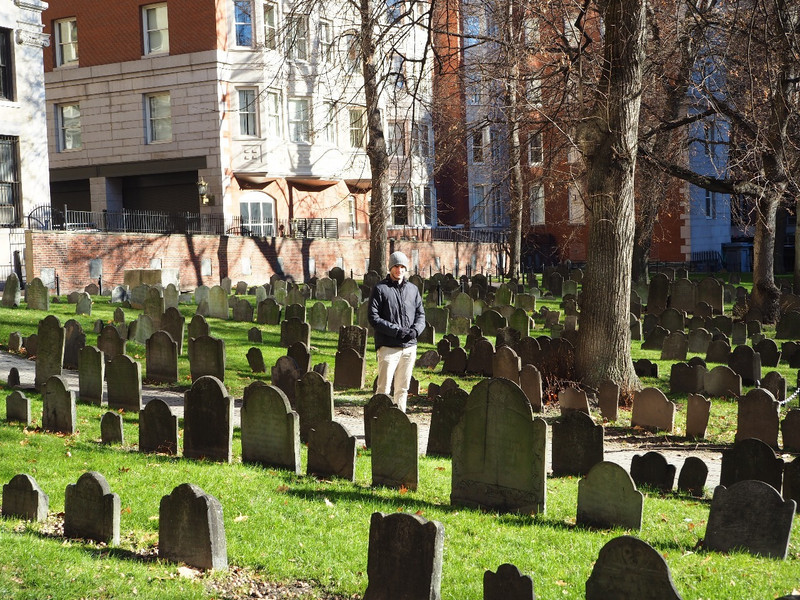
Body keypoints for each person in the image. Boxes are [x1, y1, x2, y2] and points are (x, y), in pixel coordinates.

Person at [367, 251, 426, 412]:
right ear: (390, 268)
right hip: (388, 346)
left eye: (402, 267)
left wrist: (415, 331)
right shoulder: (380, 289)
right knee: (383, 389)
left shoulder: (413, 290)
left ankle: (399, 421)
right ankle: (378, 420)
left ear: (405, 269)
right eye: (396, 266)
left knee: (402, 388)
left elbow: (421, 314)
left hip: (409, 347)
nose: (399, 270)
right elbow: (374, 317)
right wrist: (396, 331)